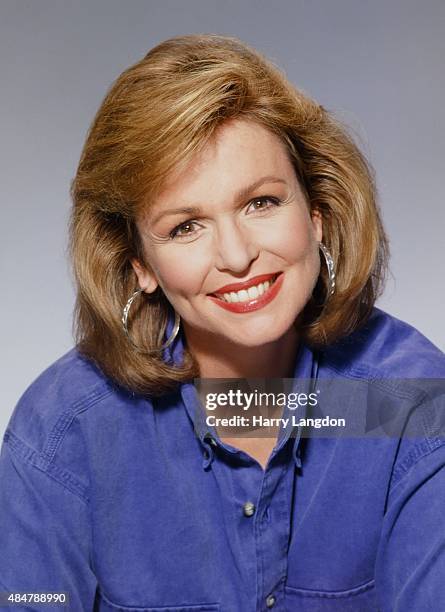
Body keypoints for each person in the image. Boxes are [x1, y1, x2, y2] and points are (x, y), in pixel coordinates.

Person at [0, 34, 444, 612]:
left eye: (261, 202)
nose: (236, 256)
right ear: (141, 265)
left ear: (316, 213)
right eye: (186, 226)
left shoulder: (409, 404)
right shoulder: (65, 431)